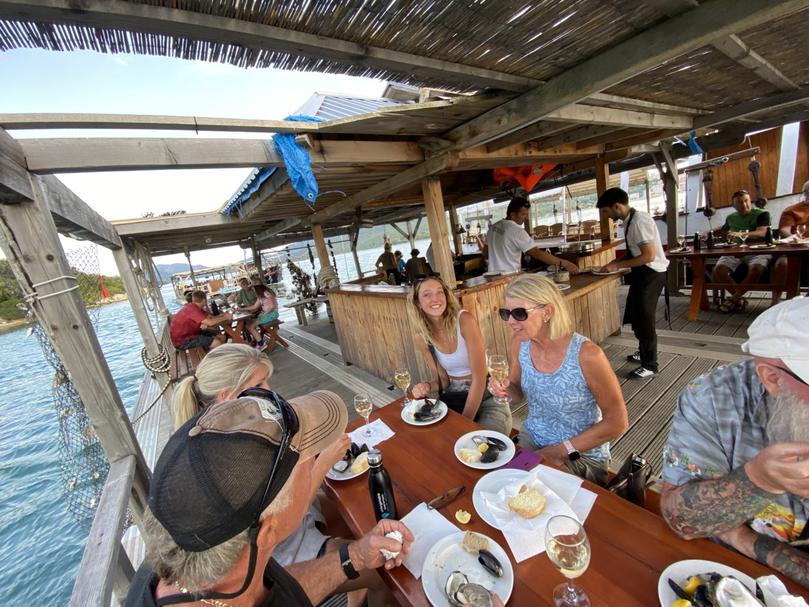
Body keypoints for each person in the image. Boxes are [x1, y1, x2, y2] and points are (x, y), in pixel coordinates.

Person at [125, 389, 414, 607]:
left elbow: (277, 593)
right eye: (307, 462)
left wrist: (355, 557)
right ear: (267, 530)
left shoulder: (213, 568)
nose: (315, 461)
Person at [168, 344, 390, 606]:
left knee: (362, 515)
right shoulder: (230, 466)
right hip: (280, 557)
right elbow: (280, 527)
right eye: (261, 383)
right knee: (381, 571)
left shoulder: (227, 436)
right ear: (228, 397)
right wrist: (322, 464)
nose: (271, 391)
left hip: (297, 523)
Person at [660, 298, 809, 588]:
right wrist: (757, 480)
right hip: (734, 577)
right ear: (772, 378)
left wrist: (741, 535)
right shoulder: (714, 397)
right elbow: (678, 516)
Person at [488, 275, 627, 485]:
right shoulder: (520, 343)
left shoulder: (587, 355)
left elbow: (617, 421)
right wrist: (504, 390)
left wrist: (561, 451)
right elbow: (515, 390)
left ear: (547, 312)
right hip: (533, 438)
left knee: (533, 492)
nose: (510, 321)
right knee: (498, 482)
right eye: (506, 313)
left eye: (519, 313)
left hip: (579, 453)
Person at [408, 276, 512, 435]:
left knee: (485, 447)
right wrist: (427, 386)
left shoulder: (464, 320)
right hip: (455, 398)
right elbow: (443, 381)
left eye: (439, 292)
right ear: (417, 303)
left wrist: (463, 424)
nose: (435, 298)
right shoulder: (422, 338)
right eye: (427, 294)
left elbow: (479, 377)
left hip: (486, 396)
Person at [597, 187, 669, 379]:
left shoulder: (639, 221)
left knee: (645, 320)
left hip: (652, 273)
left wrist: (617, 265)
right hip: (642, 273)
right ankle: (643, 352)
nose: (605, 216)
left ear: (616, 206)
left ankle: (650, 364)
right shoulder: (630, 220)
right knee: (636, 315)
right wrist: (616, 264)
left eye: (605, 212)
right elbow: (636, 252)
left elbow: (648, 255)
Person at [712, 190, 773, 312]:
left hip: (758, 250)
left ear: (750, 201)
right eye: (740, 202)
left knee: (757, 269)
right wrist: (709, 233)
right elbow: (724, 228)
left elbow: (762, 232)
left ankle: (733, 299)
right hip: (735, 250)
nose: (744, 205)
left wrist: (741, 233)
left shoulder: (763, 214)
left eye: (746, 201)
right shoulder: (731, 217)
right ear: (733, 205)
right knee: (719, 270)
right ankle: (739, 299)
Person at [483, 196, 578, 274]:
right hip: (510, 277)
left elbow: (485, 254)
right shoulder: (517, 231)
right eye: (523, 214)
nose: (526, 218)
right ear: (512, 214)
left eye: (526, 214)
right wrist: (565, 263)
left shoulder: (493, 228)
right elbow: (537, 253)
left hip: (492, 278)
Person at [772, 180, 809, 304]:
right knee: (783, 263)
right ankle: (776, 302)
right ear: (805, 193)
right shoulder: (792, 210)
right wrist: (797, 239)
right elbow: (784, 230)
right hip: (794, 249)